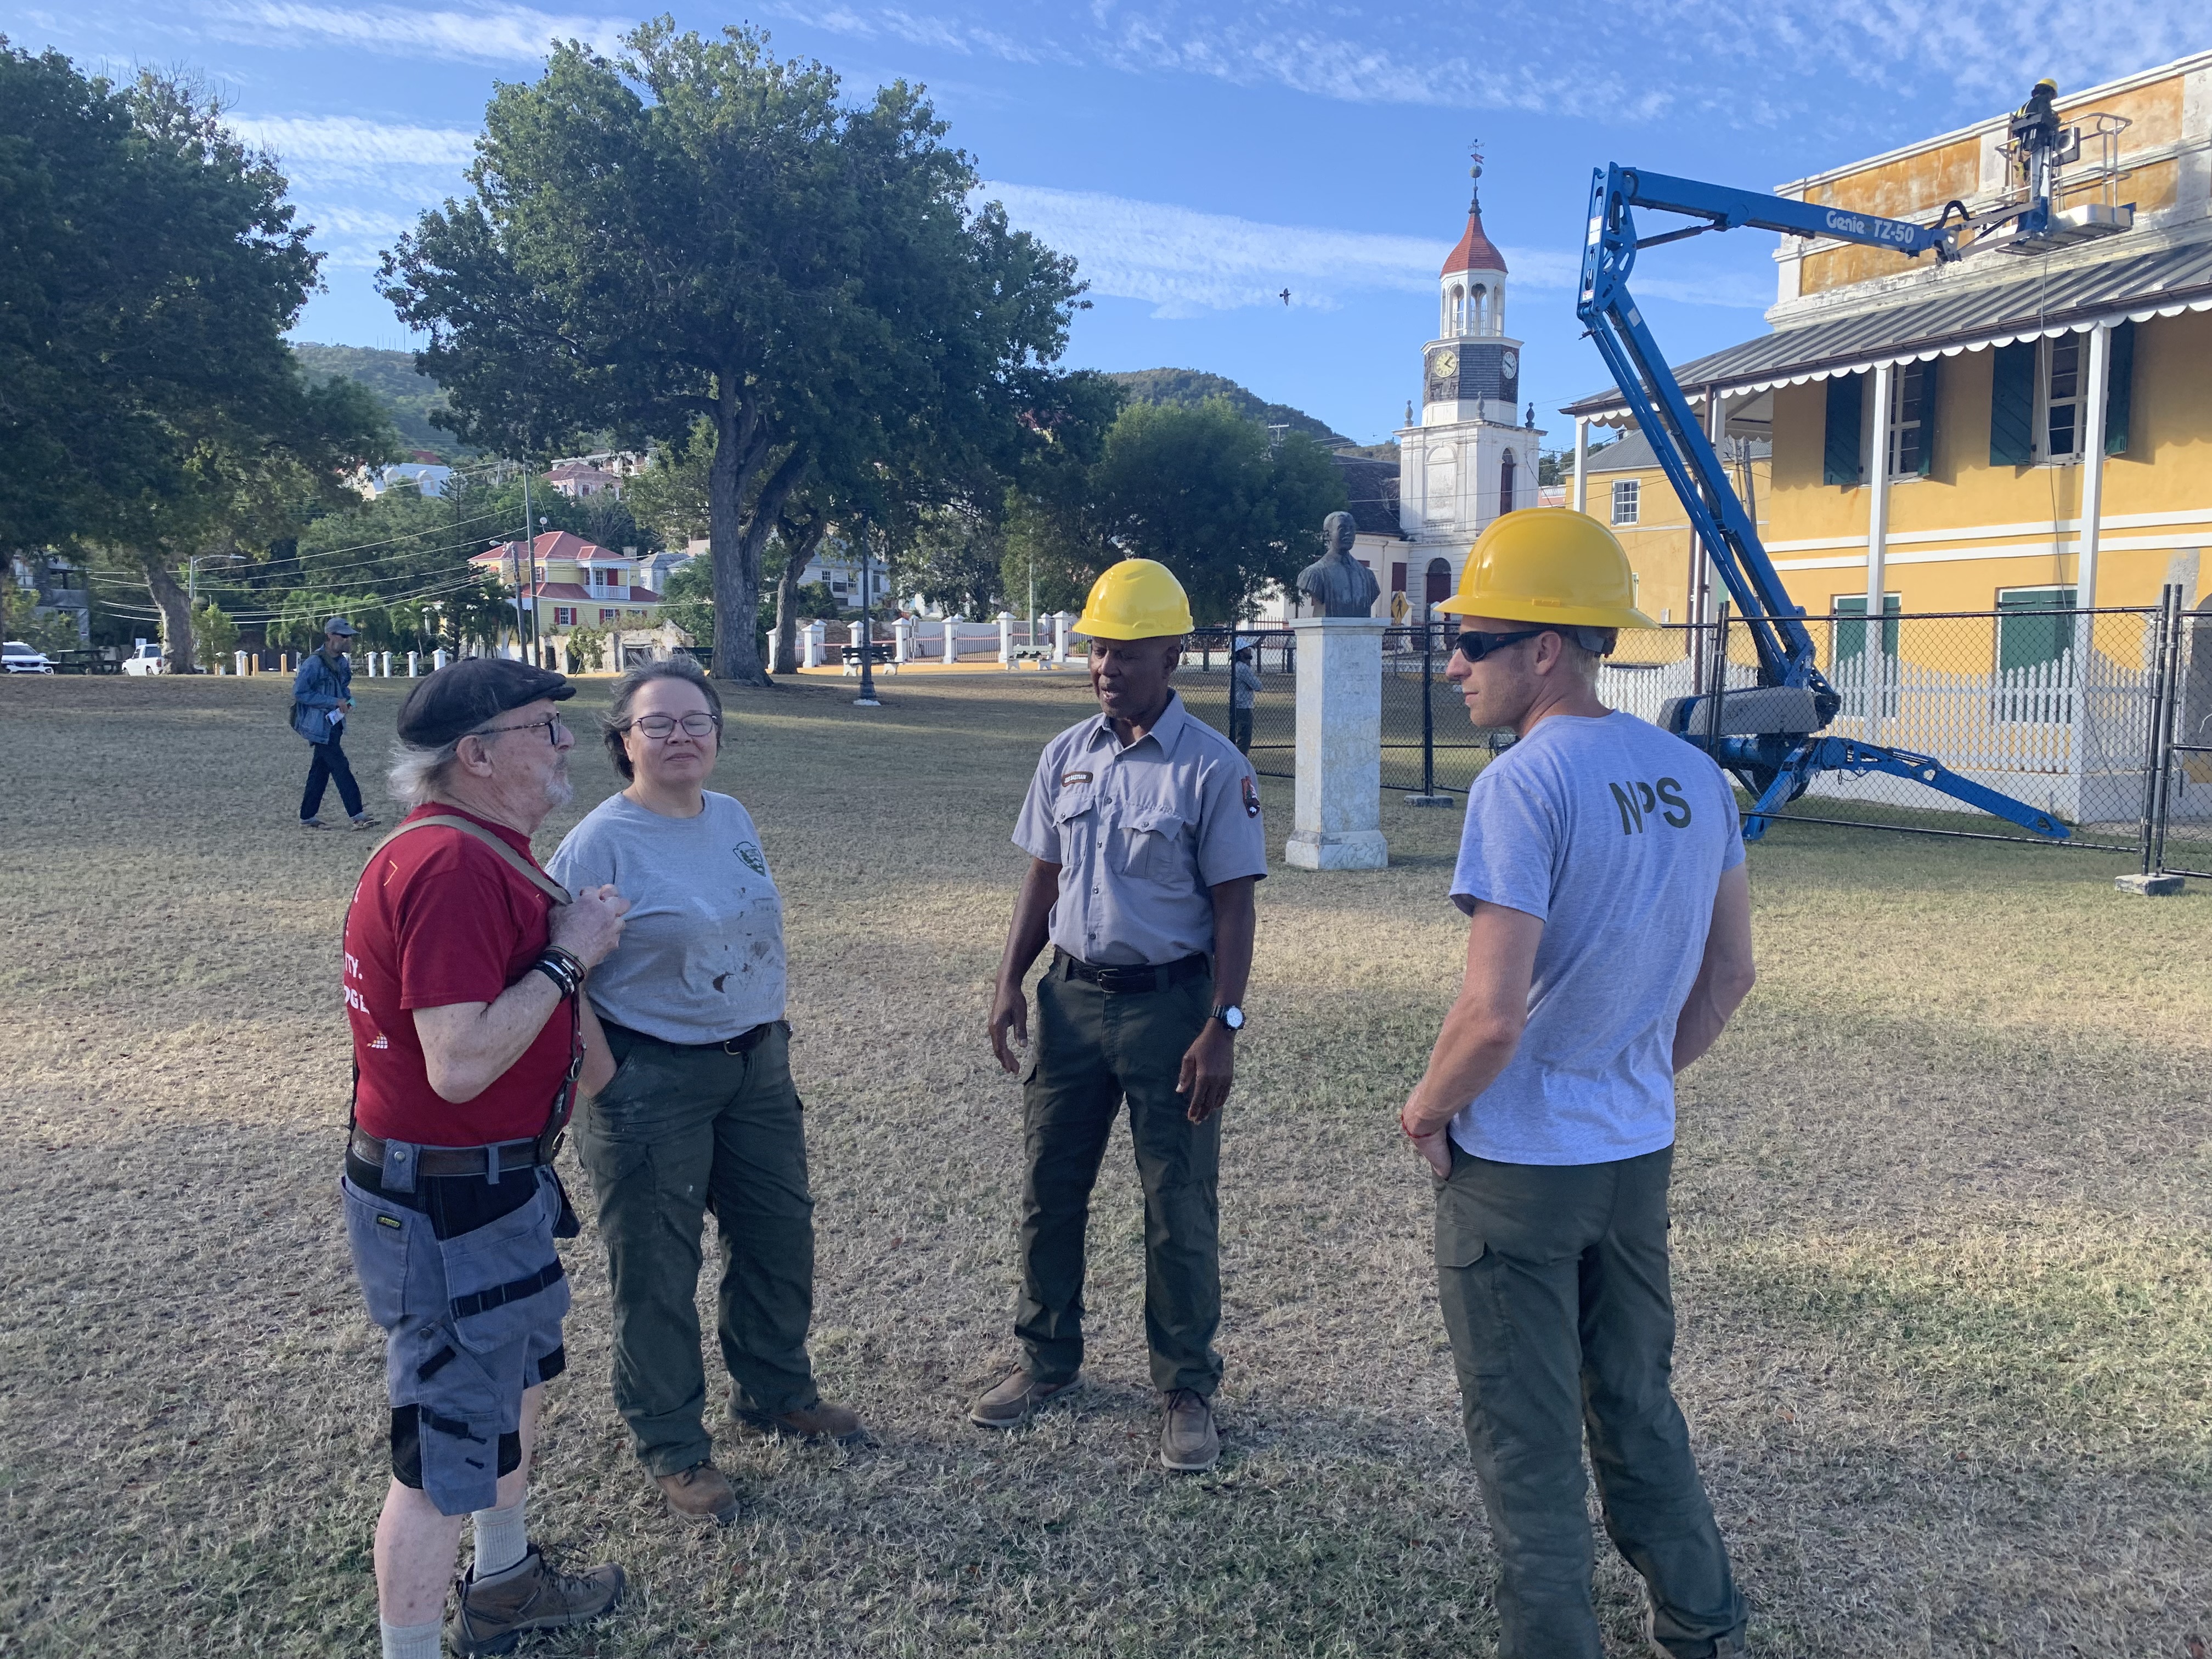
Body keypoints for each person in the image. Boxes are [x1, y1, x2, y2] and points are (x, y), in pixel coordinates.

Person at [1397, 509, 1757, 1659]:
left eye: (1476, 641)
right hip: (1634, 1157)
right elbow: (1732, 971)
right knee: (1638, 1399)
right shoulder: (1697, 777)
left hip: (1521, 1175)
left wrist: (1427, 1107)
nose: (1453, 664)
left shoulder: (1520, 787)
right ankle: (1701, 1620)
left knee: (1528, 1434)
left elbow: (1492, 1015)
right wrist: (1635, 1073)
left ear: (1547, 646)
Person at [340, 658, 632, 1659]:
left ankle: (505, 1582)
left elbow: (581, 1063)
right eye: (544, 726)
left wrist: (567, 958)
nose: (562, 745)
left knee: (513, 1387)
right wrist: (571, 953)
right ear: (476, 753)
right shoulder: (452, 866)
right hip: (448, 1201)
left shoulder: (485, 850)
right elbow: (458, 1060)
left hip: (489, 1187)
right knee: (440, 1453)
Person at [547, 657, 864, 1527]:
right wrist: (603, 1072)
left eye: (697, 721)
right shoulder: (600, 842)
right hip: (653, 1078)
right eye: (659, 723)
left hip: (755, 1064)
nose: (681, 736)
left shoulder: (731, 817)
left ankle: (775, 1391)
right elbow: (555, 964)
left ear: (719, 737)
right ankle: (673, 1445)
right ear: (624, 741)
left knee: (777, 1234)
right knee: (656, 1265)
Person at [978, 558, 1266, 1472]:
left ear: (1171, 653)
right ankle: (1046, 1357)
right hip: (1069, 1001)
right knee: (1048, 1187)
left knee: (1176, 1199)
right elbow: (1042, 876)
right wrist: (1007, 981)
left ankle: (1185, 1384)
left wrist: (1222, 1022)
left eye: (1126, 651)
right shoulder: (1065, 754)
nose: (1106, 665)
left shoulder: (1212, 768)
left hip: (1170, 1008)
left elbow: (1234, 904)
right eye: (1098, 647)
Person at [294, 616, 377, 831]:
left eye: (350, 637)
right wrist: (333, 702)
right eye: (344, 636)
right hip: (318, 727)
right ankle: (358, 815)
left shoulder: (342, 662)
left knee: (320, 771)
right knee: (341, 768)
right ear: (330, 636)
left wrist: (347, 701)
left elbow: (344, 688)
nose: (349, 641)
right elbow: (301, 693)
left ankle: (307, 816)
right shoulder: (313, 664)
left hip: (335, 725)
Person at [1228, 646, 1261, 754]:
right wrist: (1250, 686)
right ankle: (1241, 765)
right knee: (1244, 740)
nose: (1250, 651)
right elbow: (1258, 686)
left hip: (1237, 705)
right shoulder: (1243, 668)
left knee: (1238, 736)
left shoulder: (1236, 666)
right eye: (1246, 649)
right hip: (1244, 707)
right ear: (1241, 654)